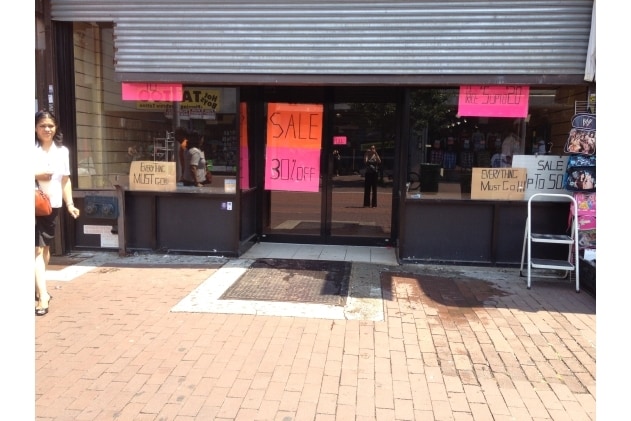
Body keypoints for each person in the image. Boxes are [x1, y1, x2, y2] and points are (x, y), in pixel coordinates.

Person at [35, 110, 80, 316]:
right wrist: (37, 174)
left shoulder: (62, 151)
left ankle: (39, 286)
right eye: (42, 125)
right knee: (36, 249)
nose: (47, 129)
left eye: (50, 126)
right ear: (35, 128)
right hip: (30, 203)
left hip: (50, 205)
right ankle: (43, 296)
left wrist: (70, 204)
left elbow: (65, 180)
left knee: (45, 249)